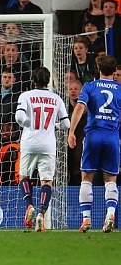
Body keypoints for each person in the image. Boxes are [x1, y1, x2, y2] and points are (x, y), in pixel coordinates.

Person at [68, 55, 121, 233]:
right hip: (112, 136)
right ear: (115, 71)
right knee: (110, 179)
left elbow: (80, 108)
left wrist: (71, 131)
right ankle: (110, 214)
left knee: (86, 178)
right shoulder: (120, 90)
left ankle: (86, 219)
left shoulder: (90, 87)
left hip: (93, 135)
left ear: (98, 68)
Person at [15, 67, 70, 232]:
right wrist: (54, 125)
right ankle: (41, 214)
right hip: (48, 144)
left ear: (34, 80)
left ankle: (29, 205)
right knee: (46, 181)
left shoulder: (26, 96)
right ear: (48, 81)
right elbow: (66, 124)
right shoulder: (56, 98)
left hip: (29, 142)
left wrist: (30, 124)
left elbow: (18, 117)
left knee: (23, 176)